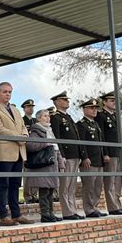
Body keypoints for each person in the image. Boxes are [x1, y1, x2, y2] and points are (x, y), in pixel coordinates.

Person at [0, 82, 34, 226]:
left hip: (19, 151)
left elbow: (23, 127)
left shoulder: (15, 109)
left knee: (15, 184)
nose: (7, 94)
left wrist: (24, 135)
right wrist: (18, 136)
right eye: (5, 92)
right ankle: (3, 215)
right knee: (3, 184)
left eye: (10, 92)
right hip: (4, 151)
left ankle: (16, 214)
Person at [50, 91, 86, 220]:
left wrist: (81, 153)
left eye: (67, 100)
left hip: (75, 154)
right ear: (57, 102)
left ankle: (73, 210)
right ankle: (67, 212)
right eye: (64, 99)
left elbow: (76, 137)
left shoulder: (69, 117)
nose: (67, 102)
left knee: (71, 185)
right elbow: (57, 137)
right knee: (65, 185)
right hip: (66, 155)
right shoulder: (55, 117)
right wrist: (62, 155)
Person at [25, 109, 64, 223]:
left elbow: (56, 148)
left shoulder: (49, 130)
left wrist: (61, 162)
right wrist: (45, 143)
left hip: (52, 164)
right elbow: (30, 145)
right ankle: (45, 214)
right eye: (45, 116)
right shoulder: (36, 131)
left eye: (48, 116)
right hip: (43, 164)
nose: (48, 118)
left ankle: (51, 213)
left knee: (51, 191)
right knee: (44, 191)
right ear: (38, 118)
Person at [77, 99, 109, 218]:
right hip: (89, 161)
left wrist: (105, 154)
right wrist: (84, 157)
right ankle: (89, 209)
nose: (94, 110)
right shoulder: (81, 124)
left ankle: (95, 207)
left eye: (96, 108)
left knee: (97, 186)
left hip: (99, 160)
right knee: (89, 186)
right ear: (85, 109)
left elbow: (101, 141)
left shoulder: (95, 124)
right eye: (91, 108)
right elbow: (81, 142)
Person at [95, 92, 122, 215]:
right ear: (105, 102)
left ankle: (118, 204)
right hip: (110, 152)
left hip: (118, 151)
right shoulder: (101, 116)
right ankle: (112, 207)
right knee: (110, 181)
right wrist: (105, 153)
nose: (114, 103)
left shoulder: (115, 116)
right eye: (111, 100)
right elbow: (101, 136)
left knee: (118, 181)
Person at [21, 99, 38, 204]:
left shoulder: (36, 121)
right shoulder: (22, 120)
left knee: (36, 173)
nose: (31, 108)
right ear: (24, 108)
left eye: (32, 107)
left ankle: (34, 194)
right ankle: (28, 196)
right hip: (27, 149)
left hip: (36, 150)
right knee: (27, 173)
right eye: (28, 107)